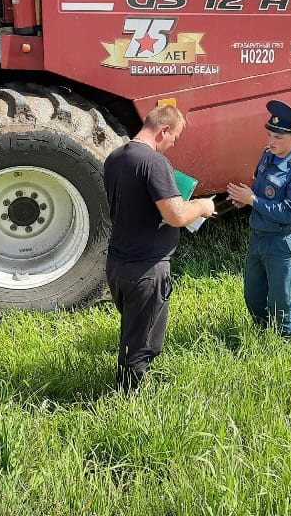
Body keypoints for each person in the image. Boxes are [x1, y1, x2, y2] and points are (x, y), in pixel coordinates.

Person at [103, 104, 216, 392]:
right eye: (174, 138)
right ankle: (127, 403)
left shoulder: (115, 157)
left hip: (118, 264)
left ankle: (128, 390)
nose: (171, 145)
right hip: (147, 269)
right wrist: (202, 206)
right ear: (163, 130)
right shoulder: (155, 163)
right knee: (141, 345)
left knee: (132, 333)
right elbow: (175, 215)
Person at [227, 100, 291, 339]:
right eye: (269, 135)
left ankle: (284, 347)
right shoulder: (268, 156)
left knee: (281, 301)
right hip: (259, 237)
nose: (270, 142)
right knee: (253, 296)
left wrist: (254, 201)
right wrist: (245, 198)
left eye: (278, 138)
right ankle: (262, 336)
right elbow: (261, 186)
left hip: (283, 242)